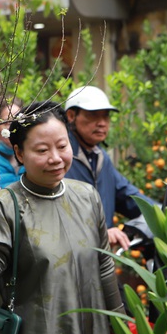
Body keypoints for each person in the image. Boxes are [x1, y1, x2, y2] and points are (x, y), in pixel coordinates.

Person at [0, 101, 129, 334]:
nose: (55, 158)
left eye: (62, 146)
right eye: (41, 150)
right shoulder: (6, 205)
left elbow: (104, 266)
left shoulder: (86, 196)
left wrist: (120, 327)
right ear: (18, 153)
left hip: (91, 333)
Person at [64, 86, 150, 250]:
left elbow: (127, 195)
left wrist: (163, 212)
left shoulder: (101, 157)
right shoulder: (61, 159)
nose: (102, 123)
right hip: (69, 257)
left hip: (102, 256)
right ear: (71, 116)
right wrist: (101, 231)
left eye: (106, 116)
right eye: (93, 115)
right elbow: (60, 213)